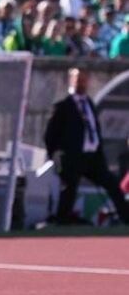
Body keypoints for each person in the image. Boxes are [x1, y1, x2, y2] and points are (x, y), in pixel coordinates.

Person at [44, 67, 129, 225]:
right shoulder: (63, 105)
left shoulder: (89, 103)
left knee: (112, 185)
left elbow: (94, 128)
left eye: (83, 80)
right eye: (78, 80)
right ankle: (62, 221)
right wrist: (54, 155)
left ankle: (125, 217)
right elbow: (50, 134)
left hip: (92, 158)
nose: (81, 83)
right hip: (72, 157)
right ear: (71, 81)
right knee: (69, 190)